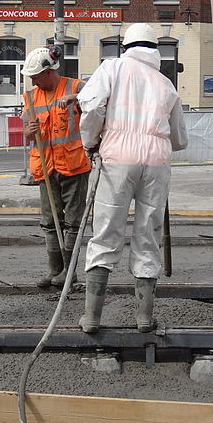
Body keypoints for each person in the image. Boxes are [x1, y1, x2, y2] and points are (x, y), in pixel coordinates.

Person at [77, 23, 188, 333]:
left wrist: (91, 140)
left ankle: (92, 318)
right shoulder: (166, 83)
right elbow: (179, 139)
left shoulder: (112, 68)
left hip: (117, 160)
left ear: (125, 46)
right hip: (156, 163)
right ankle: (143, 318)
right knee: (148, 235)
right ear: (155, 50)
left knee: (106, 232)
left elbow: (93, 106)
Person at [21, 46, 91, 289]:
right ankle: (55, 269)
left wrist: (77, 99)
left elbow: (101, 97)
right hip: (46, 167)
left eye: (35, 77)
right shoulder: (31, 97)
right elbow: (26, 130)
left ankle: (69, 272)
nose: (33, 81)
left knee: (73, 221)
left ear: (48, 72)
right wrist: (27, 133)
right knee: (50, 222)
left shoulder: (76, 87)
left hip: (73, 166)